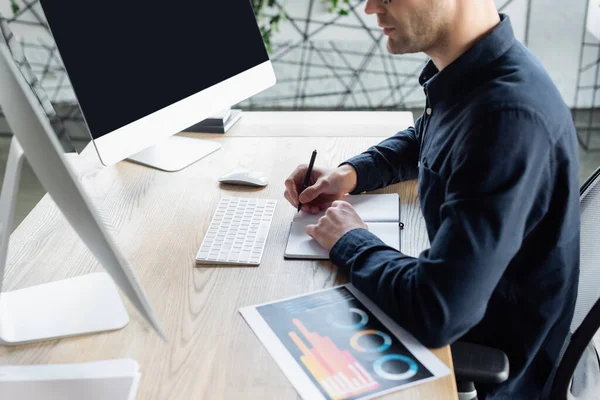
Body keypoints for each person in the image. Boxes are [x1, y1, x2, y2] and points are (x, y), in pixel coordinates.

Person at [283, 0, 580, 399]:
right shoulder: (479, 73)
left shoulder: (508, 120)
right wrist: (348, 175)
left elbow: (438, 310)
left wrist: (349, 239)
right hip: (467, 311)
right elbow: (429, 136)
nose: (371, 8)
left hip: (488, 367)